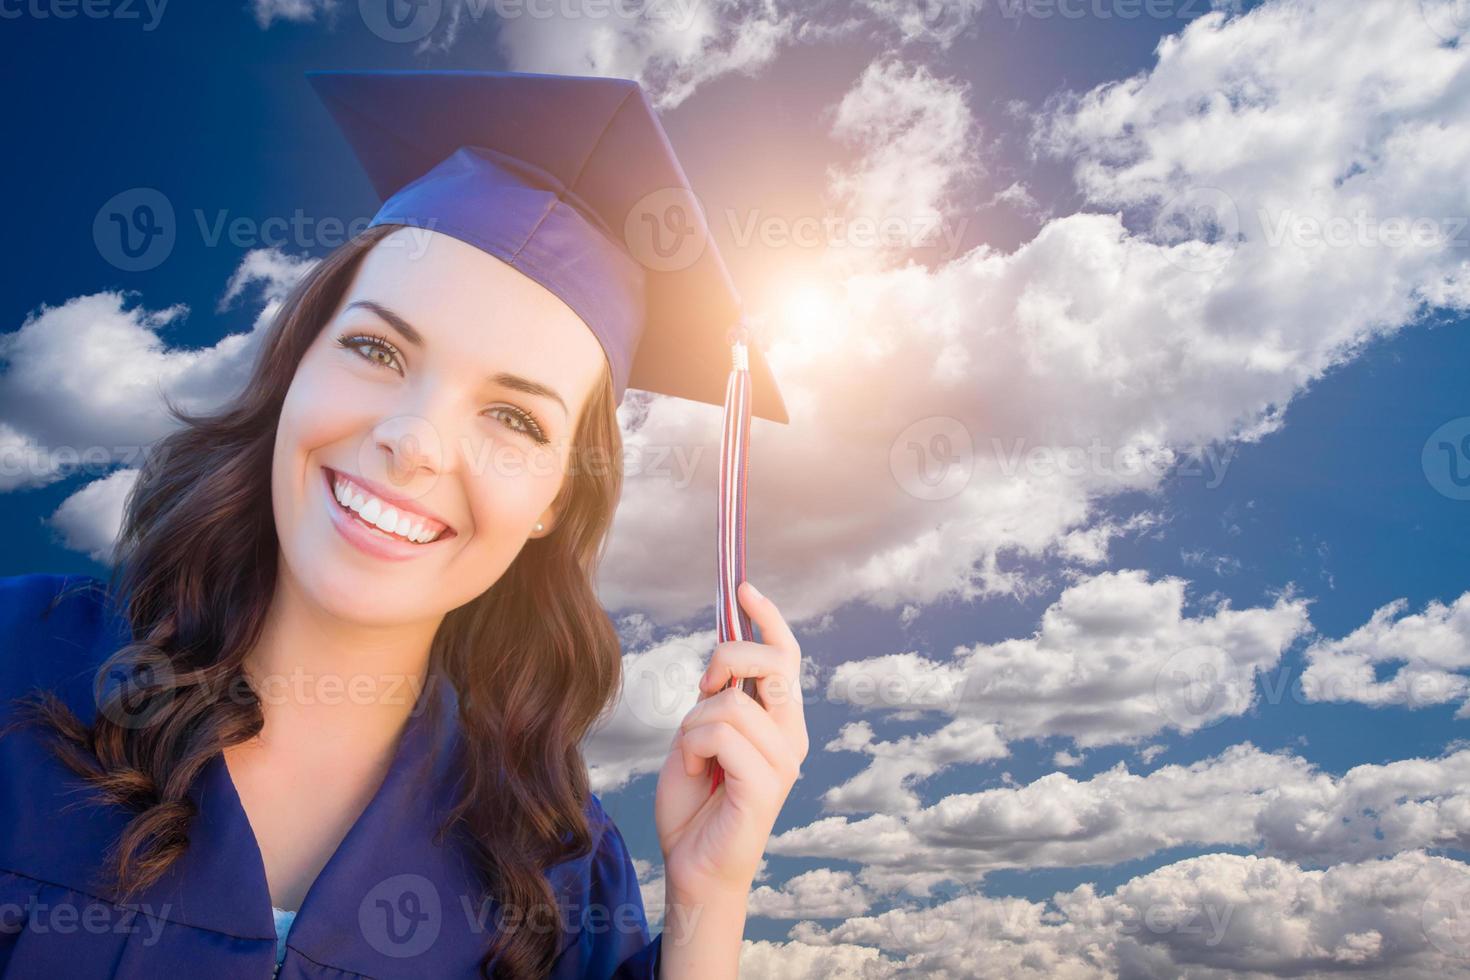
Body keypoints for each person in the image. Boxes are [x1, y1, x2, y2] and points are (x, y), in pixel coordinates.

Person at [0, 70, 807, 978]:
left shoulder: (560, 874)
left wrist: (710, 899)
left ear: (553, 501)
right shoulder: (17, 664)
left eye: (515, 418)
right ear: (295, 363)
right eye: (377, 349)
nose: (414, 442)